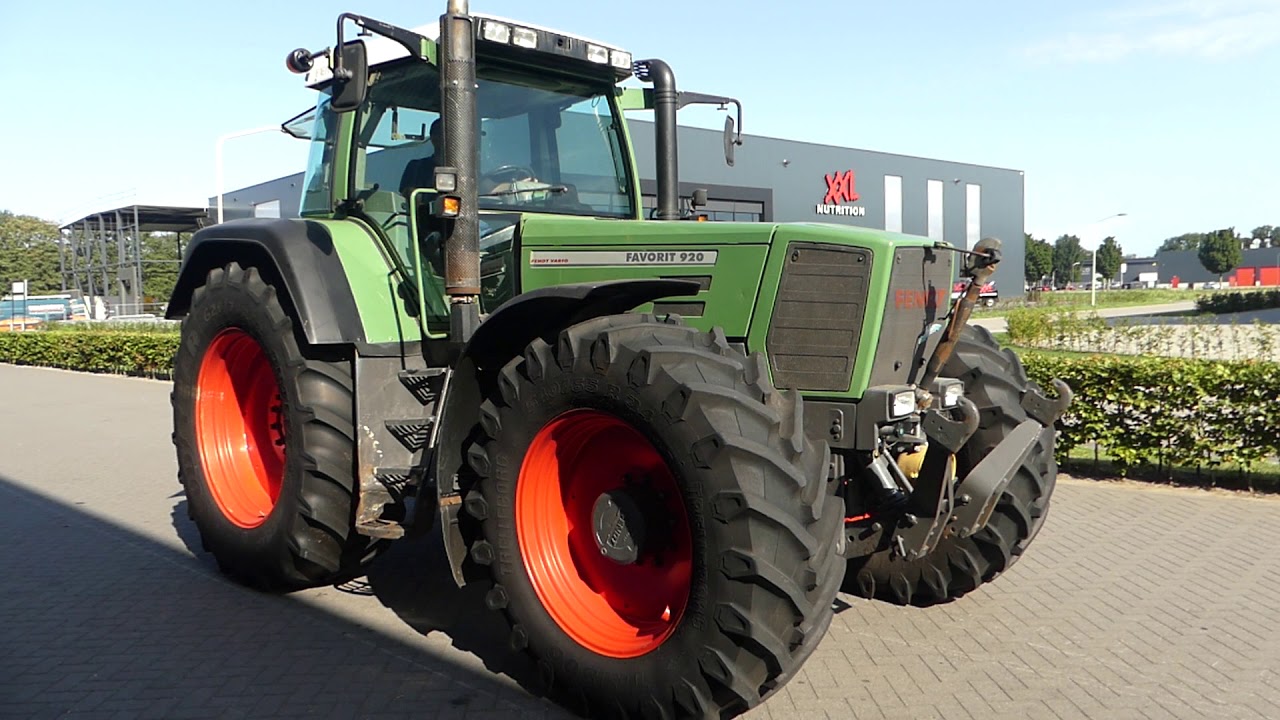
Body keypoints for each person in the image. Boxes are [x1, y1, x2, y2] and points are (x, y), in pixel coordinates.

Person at [399, 118, 443, 197]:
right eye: (437, 133)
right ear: (432, 138)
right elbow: (406, 195)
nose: (442, 138)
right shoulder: (415, 167)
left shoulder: (468, 170)